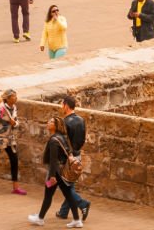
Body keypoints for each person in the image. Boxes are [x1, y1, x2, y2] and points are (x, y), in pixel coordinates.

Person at [53, 95, 91, 226]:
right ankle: (64, 212)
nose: (61, 107)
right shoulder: (81, 120)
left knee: (66, 186)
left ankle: (82, 203)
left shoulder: (64, 122)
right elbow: (82, 140)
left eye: (62, 104)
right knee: (70, 184)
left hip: (67, 158)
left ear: (66, 105)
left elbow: (62, 143)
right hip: (77, 156)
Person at [28, 115, 70, 226]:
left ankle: (40, 218)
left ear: (56, 126)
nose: (48, 123)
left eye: (51, 122)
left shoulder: (54, 139)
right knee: (65, 195)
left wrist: (52, 176)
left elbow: (53, 160)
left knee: (59, 195)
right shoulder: (60, 137)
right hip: (58, 172)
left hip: (55, 173)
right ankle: (40, 217)